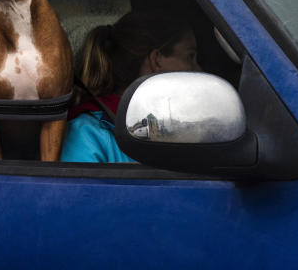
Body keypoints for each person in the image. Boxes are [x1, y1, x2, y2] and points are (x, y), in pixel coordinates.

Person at [60, 9, 201, 163]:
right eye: (190, 56)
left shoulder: (173, 128)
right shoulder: (88, 134)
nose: (199, 70)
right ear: (157, 60)